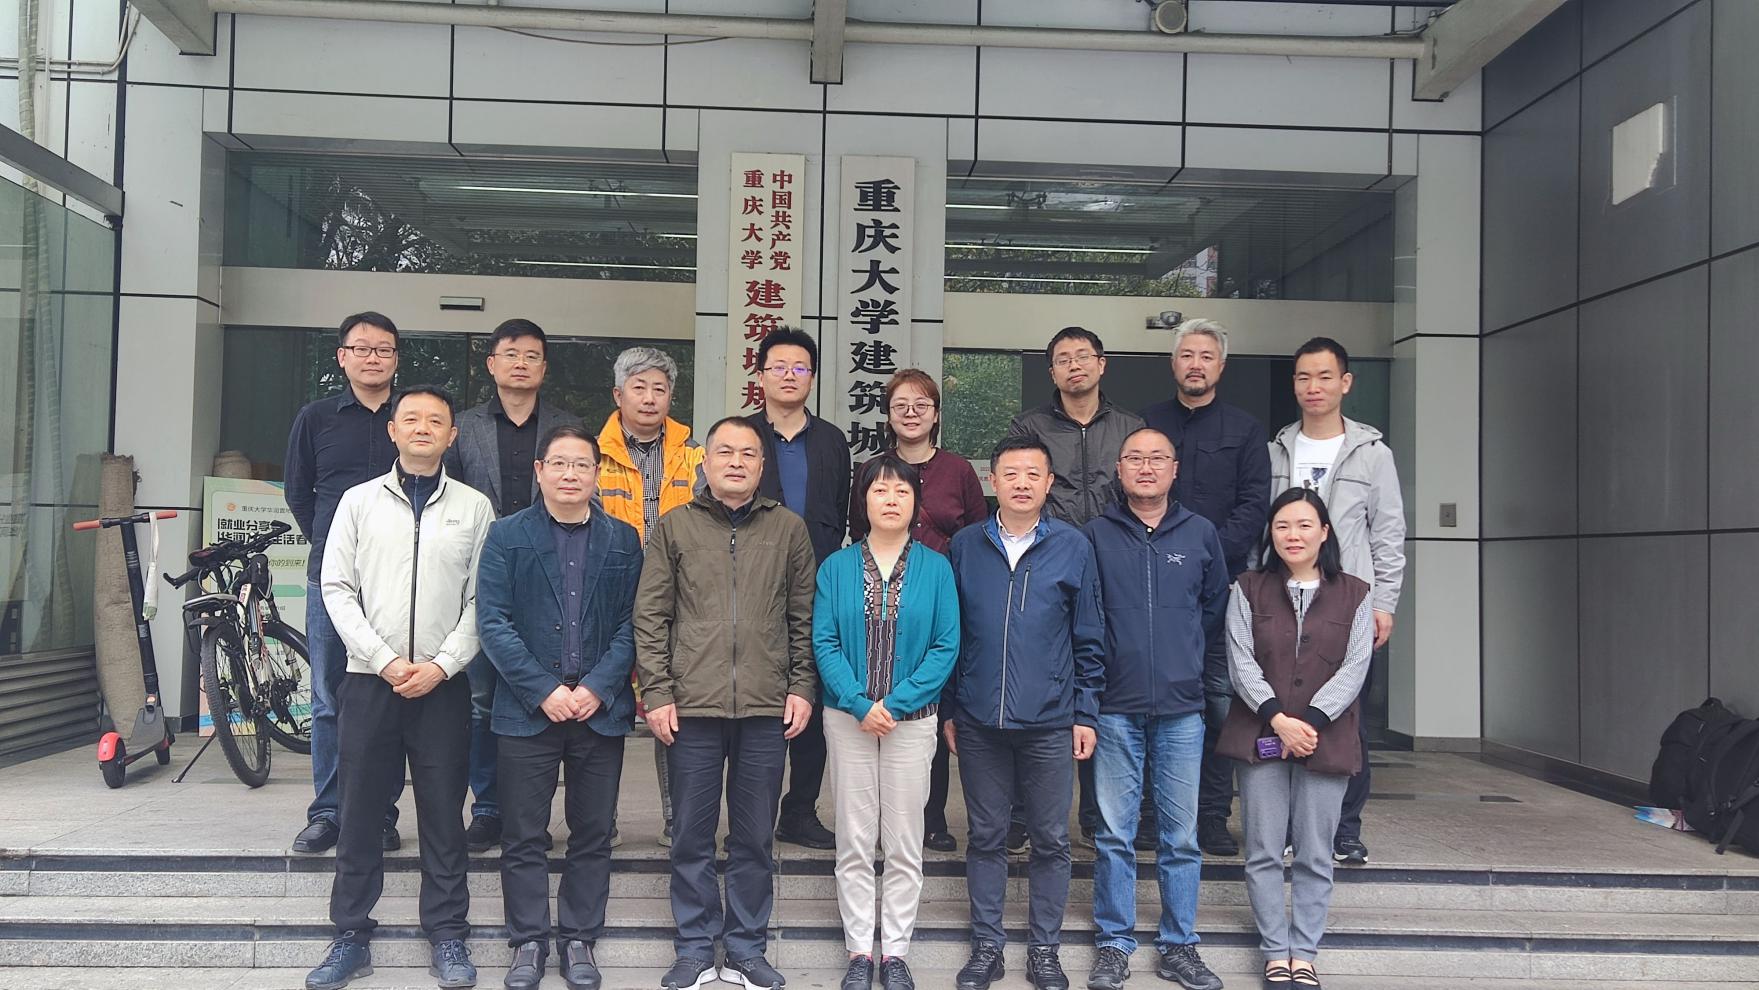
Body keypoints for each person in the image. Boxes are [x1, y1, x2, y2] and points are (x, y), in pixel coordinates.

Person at [304, 386, 496, 990]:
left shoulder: (474, 508)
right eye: (410, 418)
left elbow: (482, 598)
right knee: (360, 813)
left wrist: (444, 664)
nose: (422, 428)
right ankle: (350, 935)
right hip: (370, 682)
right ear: (392, 430)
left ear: (451, 436)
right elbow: (336, 588)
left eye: (435, 420)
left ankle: (448, 933)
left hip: (442, 686)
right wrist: (384, 660)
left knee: (443, 815)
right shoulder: (358, 502)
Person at [634, 417, 818, 990]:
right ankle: (693, 947)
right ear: (705, 462)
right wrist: (657, 692)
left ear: (762, 466)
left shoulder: (788, 529)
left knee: (753, 836)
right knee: (690, 834)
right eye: (725, 452)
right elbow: (651, 616)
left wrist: (802, 687)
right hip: (690, 706)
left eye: (748, 454)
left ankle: (744, 948)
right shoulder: (675, 527)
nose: (736, 462)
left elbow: (804, 617)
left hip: (766, 707)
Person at [475, 424, 644, 990]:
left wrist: (598, 686)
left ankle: (578, 939)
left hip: (599, 709)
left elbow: (633, 623)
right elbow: (493, 622)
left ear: (597, 473)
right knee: (523, 833)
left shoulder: (623, 539)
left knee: (592, 832)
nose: (571, 474)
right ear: (540, 471)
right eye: (560, 463)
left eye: (582, 465)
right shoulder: (506, 535)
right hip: (528, 710)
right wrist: (542, 690)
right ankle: (527, 941)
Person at [944, 435, 1105, 990]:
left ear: (1049, 483)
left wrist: (1085, 713)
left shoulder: (1073, 546)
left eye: (1033, 474)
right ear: (992, 481)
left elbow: (1089, 637)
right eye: (1010, 473)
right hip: (979, 720)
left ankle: (1044, 950)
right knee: (986, 836)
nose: (1021, 483)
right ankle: (987, 947)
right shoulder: (966, 545)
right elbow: (951, 634)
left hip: (1051, 721)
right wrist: (951, 708)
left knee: (1051, 839)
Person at [1083, 428, 1227, 990]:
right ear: (1118, 470)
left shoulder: (1201, 533)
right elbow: (1086, 618)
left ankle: (1179, 945)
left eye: (1157, 458)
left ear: (1174, 468)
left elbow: (1213, 612)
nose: (1146, 467)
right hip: (1114, 706)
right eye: (1135, 459)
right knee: (1114, 834)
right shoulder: (1095, 535)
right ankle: (1114, 942)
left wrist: (1189, 669)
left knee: (1181, 836)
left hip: (1181, 708)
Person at [1217, 487, 1373, 990]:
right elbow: (1240, 660)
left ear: (1324, 532)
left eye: (1305, 525)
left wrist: (1310, 723)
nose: (1293, 535)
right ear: (1271, 534)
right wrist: (1279, 720)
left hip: (1327, 738)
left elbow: (1355, 666)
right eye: (1282, 525)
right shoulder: (1248, 588)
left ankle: (1303, 951)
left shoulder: (1355, 593)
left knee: (1314, 851)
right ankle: (1274, 952)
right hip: (1261, 734)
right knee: (1263, 849)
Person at [818, 454, 962, 990]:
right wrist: (859, 703)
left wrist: (897, 704)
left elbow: (946, 645)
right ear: (864, 500)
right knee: (855, 839)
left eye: (902, 491)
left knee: (904, 839)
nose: (891, 499)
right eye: (879, 490)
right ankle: (860, 950)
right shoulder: (835, 567)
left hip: (913, 720)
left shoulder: (937, 567)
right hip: (848, 719)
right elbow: (824, 641)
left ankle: (895, 951)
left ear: (916, 502)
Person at [444, 318, 585, 854]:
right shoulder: (465, 427)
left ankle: (532, 815)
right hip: (486, 576)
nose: (521, 363)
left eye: (531, 356)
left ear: (544, 367)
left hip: (556, 578)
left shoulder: (567, 426)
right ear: (491, 364)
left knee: (544, 695)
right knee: (483, 700)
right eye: (510, 354)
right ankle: (488, 809)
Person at [1267, 337, 1404, 866]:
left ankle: (1345, 829)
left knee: (1347, 720)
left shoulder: (1373, 453)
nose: (1314, 387)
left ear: (1345, 383)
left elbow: (1387, 533)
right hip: (1284, 600)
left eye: (1325, 376)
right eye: (1304, 377)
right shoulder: (1277, 449)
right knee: (1285, 714)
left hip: (1348, 603)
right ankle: (1289, 828)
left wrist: (1384, 602)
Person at [1007, 326, 1143, 847]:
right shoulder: (1031, 426)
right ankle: (1022, 813)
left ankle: (1095, 812)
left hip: (1114, 564)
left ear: (1101, 364)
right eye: (1063, 359)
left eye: (1083, 356)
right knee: (1034, 676)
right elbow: (1023, 486)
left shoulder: (1130, 427)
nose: (1074, 366)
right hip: (1047, 564)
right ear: (1052, 371)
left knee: (1100, 682)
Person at [1141, 318, 1271, 857]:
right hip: (1151, 593)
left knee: (1219, 704)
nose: (1195, 365)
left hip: (1223, 593)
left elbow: (1255, 505)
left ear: (1221, 365)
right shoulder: (1147, 424)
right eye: (1187, 355)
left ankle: (1213, 816)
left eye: (1206, 356)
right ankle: (1149, 815)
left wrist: (1207, 553)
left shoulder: (1245, 430)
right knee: (1147, 705)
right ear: (1173, 363)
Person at [847, 368, 987, 854]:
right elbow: (857, 529)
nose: (911, 413)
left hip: (943, 596)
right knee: (882, 695)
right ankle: (878, 820)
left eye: (921, 405)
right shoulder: (871, 469)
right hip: (881, 601)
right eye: (901, 405)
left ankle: (931, 817)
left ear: (936, 414)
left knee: (934, 702)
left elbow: (977, 532)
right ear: (887, 415)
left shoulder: (958, 470)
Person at [284, 311, 405, 856]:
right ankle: (329, 812)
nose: (372, 357)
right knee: (330, 698)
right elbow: (299, 492)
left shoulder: (411, 415)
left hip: (401, 580)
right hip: (331, 581)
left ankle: (380, 814)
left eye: (383, 349)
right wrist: (333, 547)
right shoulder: (316, 418)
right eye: (361, 348)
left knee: (389, 698)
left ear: (396, 358)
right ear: (342, 356)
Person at [745, 326, 850, 851]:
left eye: (800, 368)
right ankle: (754, 816)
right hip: (752, 588)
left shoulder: (832, 440)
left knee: (813, 697)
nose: (789, 375)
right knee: (759, 705)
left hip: (819, 588)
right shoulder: (740, 435)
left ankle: (800, 811)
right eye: (779, 367)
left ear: (812, 377)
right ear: (760, 375)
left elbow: (843, 513)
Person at [597, 345, 705, 850]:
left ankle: (676, 821)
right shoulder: (590, 454)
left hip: (678, 603)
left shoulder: (696, 454)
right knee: (603, 708)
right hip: (607, 599)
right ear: (618, 394)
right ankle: (601, 822)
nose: (649, 397)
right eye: (638, 387)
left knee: (672, 709)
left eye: (659, 388)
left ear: (670, 396)